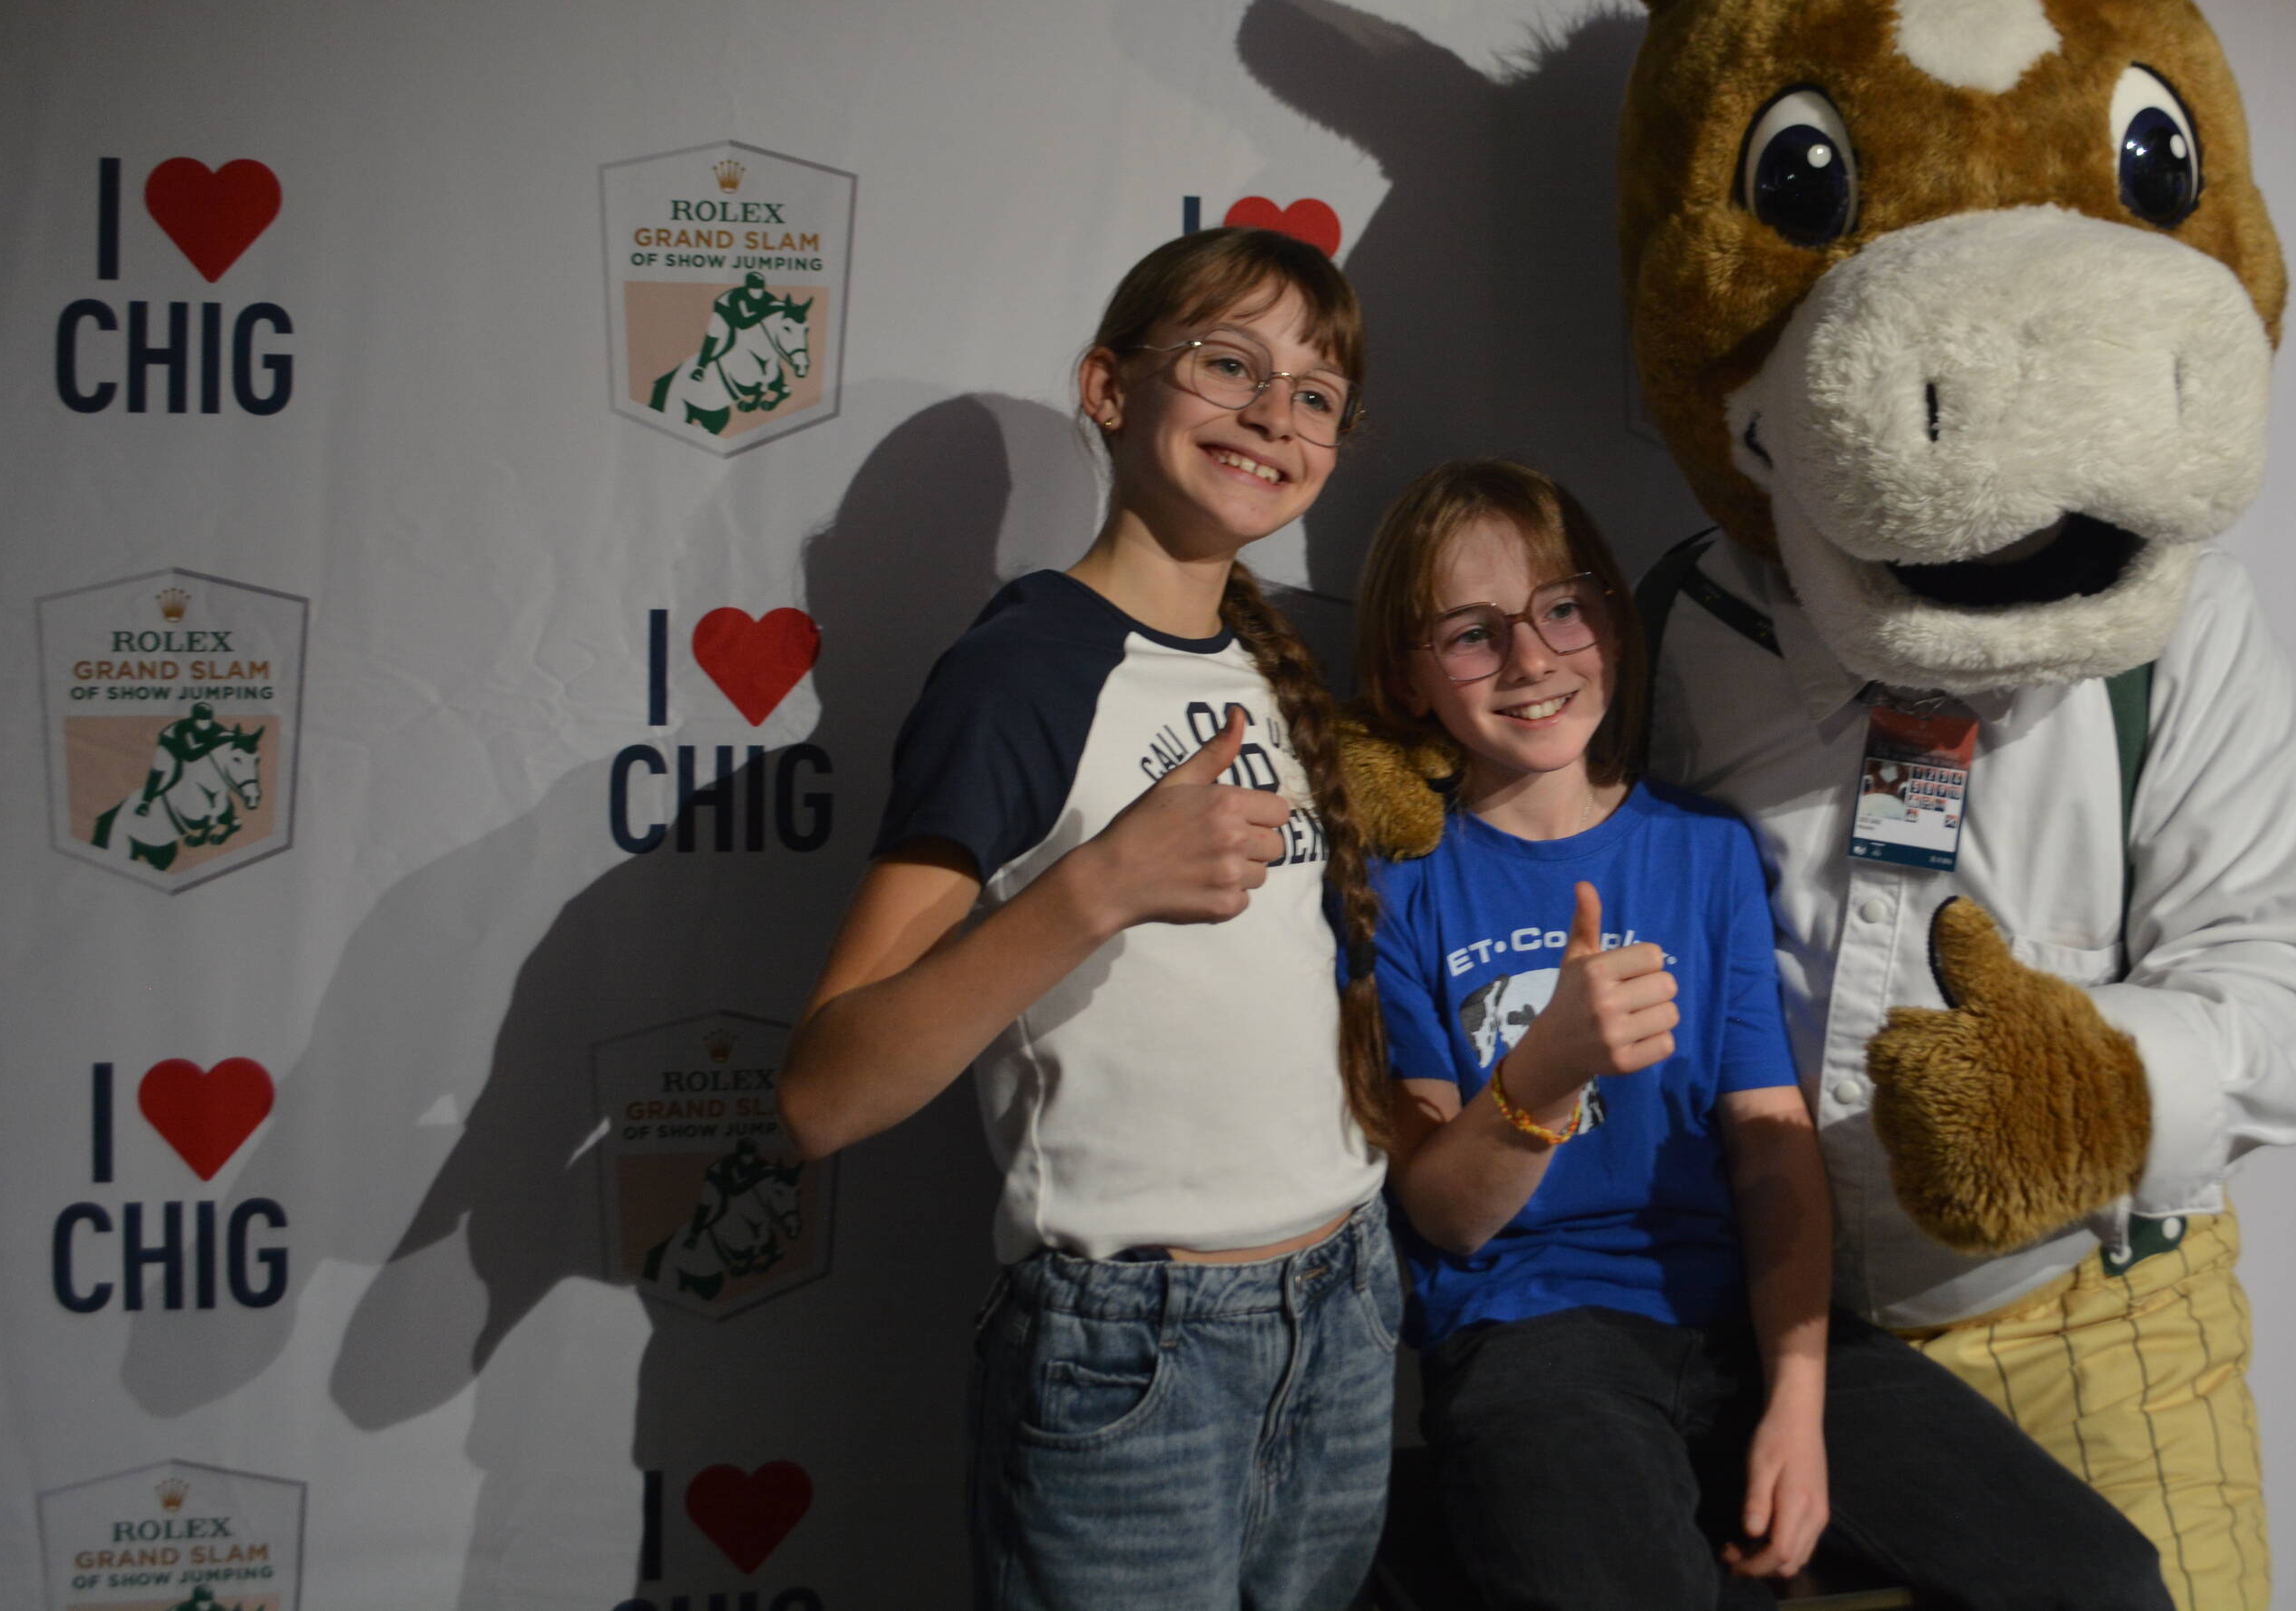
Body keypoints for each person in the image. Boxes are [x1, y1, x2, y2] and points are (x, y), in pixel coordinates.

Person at [1357, 461, 2174, 1611]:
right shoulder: (1400, 886)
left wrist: (1797, 1404)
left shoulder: (1705, 849)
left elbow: (1770, 1147)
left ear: (1611, 623)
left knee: (2103, 1578)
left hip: (1740, 1319)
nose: (1532, 658)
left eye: (1562, 607)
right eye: (1471, 634)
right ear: (1407, 677)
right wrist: (1548, 1068)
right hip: (1530, 1332)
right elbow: (1445, 1214)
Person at [776, 228, 1398, 1611]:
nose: (1271, 412)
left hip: (1347, 1302)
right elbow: (821, 1095)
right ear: (1109, 388)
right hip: (1134, 1348)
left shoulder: (1283, 661)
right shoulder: (1020, 672)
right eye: (1227, 363)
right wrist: (1095, 886)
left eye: (1312, 392)